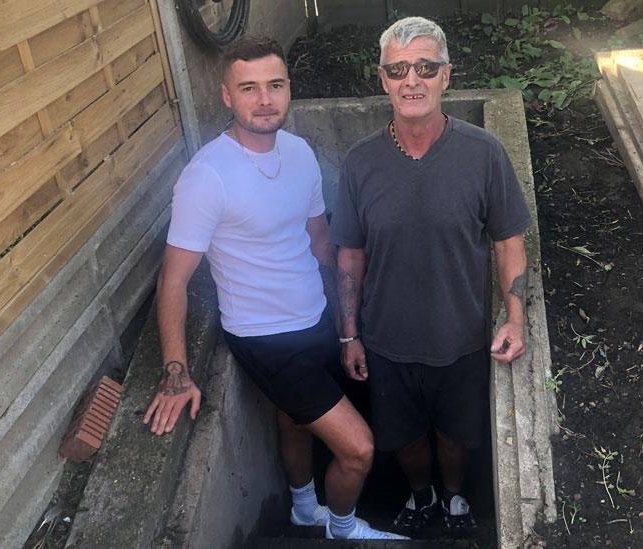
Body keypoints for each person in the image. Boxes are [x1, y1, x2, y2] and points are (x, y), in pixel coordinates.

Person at [141, 36, 406, 541]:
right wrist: (177, 372)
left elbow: (320, 240)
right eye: (249, 88)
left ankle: (305, 509)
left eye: (275, 85)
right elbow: (173, 278)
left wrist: (349, 322)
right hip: (264, 336)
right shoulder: (207, 177)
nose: (264, 99)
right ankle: (344, 530)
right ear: (226, 96)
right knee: (358, 449)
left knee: (294, 420)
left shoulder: (300, 153)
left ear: (288, 89)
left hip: (315, 315)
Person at [331, 17, 531, 534]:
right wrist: (349, 334)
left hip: (461, 336)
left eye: (425, 67)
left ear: (447, 76)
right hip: (387, 340)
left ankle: (457, 498)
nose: (412, 80)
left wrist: (515, 318)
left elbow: (509, 239)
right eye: (399, 69)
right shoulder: (359, 163)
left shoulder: (482, 153)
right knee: (404, 437)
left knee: (455, 433)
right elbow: (350, 255)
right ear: (383, 79)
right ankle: (421, 499)